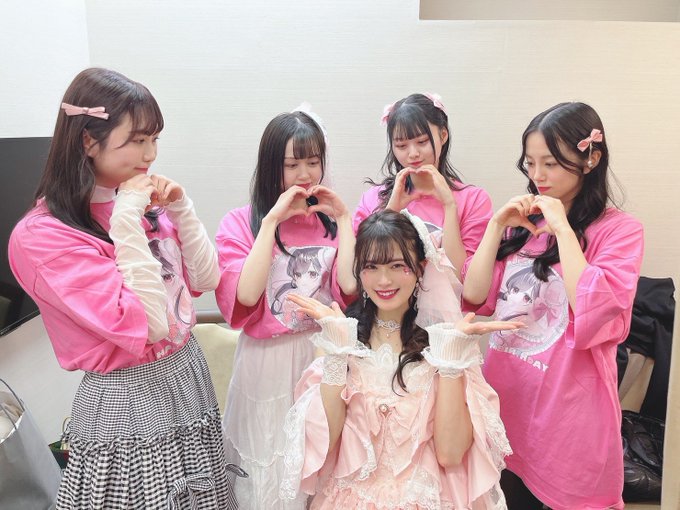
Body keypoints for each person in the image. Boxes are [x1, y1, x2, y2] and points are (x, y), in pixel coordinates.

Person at [8, 68, 239, 509]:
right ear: (87, 140)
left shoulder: (134, 202)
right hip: (127, 397)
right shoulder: (43, 236)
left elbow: (206, 280)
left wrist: (182, 209)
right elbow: (148, 325)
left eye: (154, 139)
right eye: (137, 140)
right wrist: (127, 215)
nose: (150, 154)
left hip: (186, 372)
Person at [462, 102, 645, 510]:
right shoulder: (523, 223)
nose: (537, 176)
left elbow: (593, 307)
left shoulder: (620, 231)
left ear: (590, 159)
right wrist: (495, 226)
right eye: (530, 163)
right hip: (503, 400)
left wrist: (562, 226)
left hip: (567, 415)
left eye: (550, 163)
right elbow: (474, 296)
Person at [280, 209, 522, 509]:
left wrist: (449, 361)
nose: (384, 280)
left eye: (397, 265)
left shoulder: (445, 343)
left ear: (421, 267)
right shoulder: (341, 335)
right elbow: (325, 445)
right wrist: (337, 351)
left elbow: (450, 454)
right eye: (371, 266)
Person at [215, 108, 356, 509]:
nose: (304, 174)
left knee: (316, 459)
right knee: (268, 456)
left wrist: (345, 218)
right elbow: (246, 296)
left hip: (320, 357)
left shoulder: (330, 224)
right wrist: (271, 221)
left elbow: (349, 287)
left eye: (312, 162)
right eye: (291, 164)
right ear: (270, 166)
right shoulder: (239, 223)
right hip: (266, 361)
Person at [353, 93, 493, 277]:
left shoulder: (474, 200)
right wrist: (391, 211)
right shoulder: (373, 199)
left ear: (443, 135)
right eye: (401, 146)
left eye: (422, 142)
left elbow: (461, 277)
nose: (413, 153)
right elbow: (363, 272)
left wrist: (450, 206)